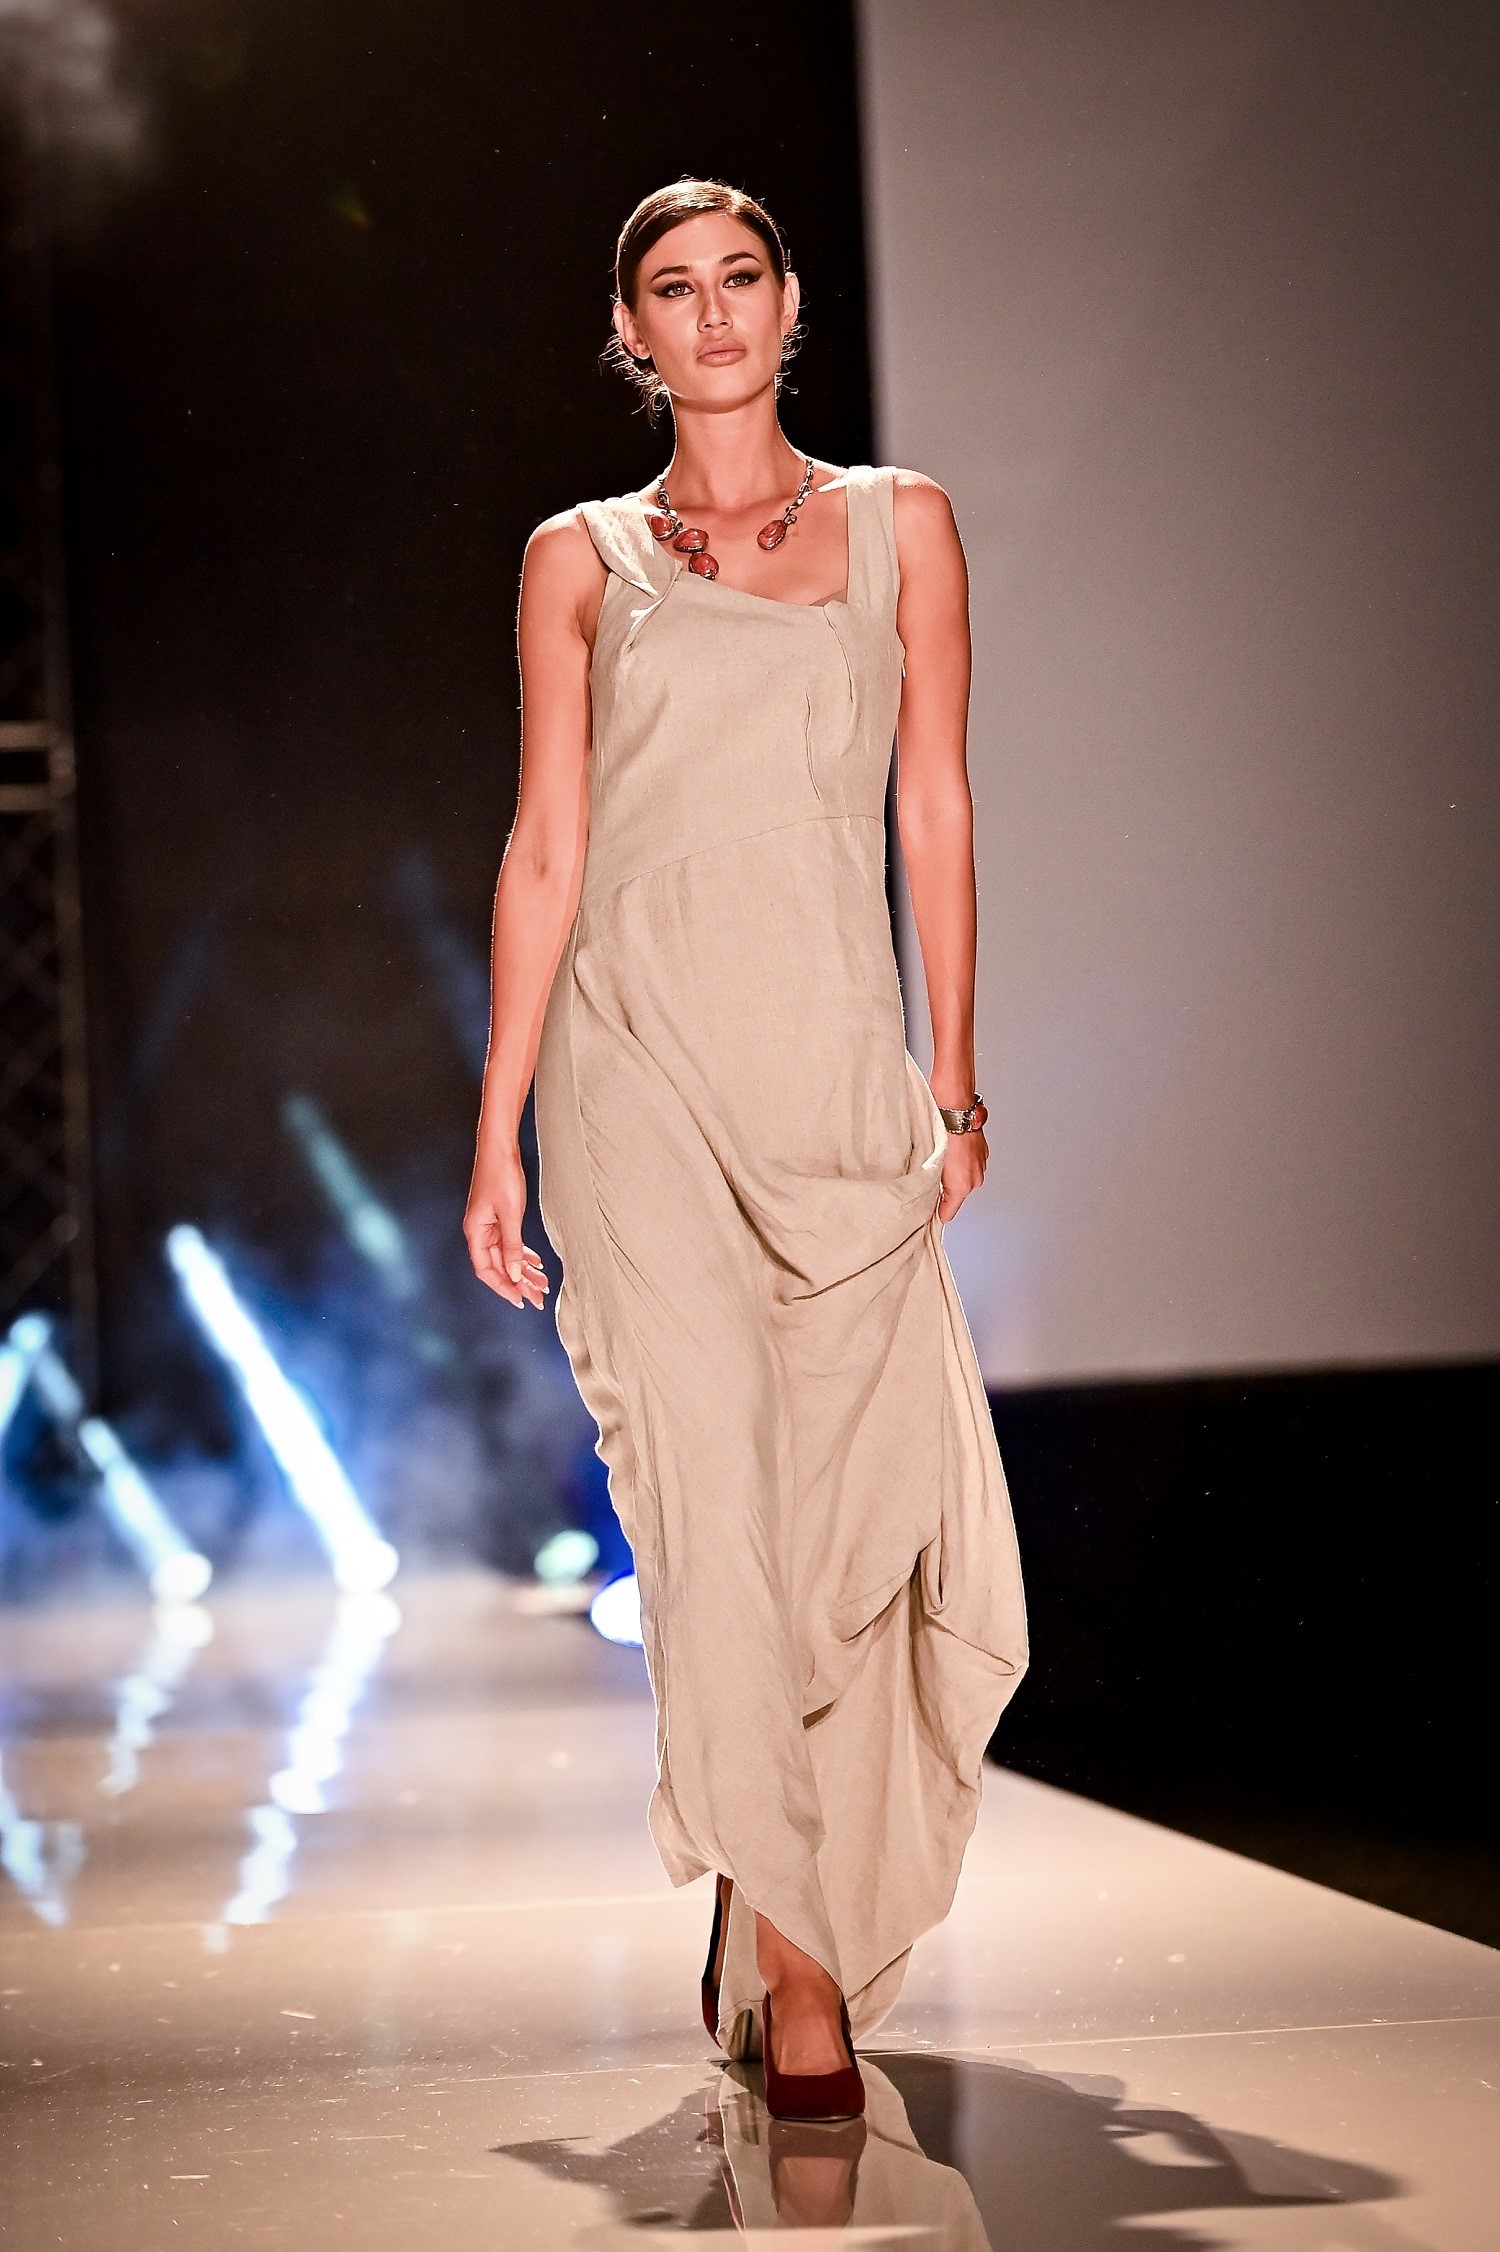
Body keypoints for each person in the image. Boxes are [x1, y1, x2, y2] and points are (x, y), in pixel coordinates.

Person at [465, 178, 1026, 2122]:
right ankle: (799, 1972)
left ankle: (770, 1876)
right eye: (672, 289)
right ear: (633, 333)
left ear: (791, 305)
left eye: (740, 279)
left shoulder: (902, 525)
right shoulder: (578, 559)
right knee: (712, 1503)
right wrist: (496, 1131)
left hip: (828, 1071)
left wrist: (955, 1076)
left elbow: (933, 806)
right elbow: (547, 846)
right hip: (630, 1069)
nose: (711, 313)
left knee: (845, 1524)